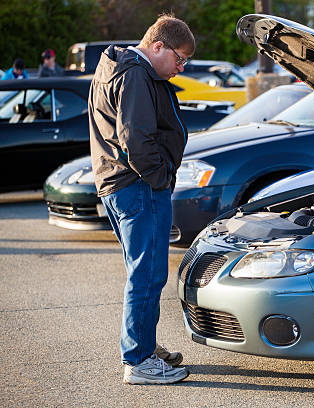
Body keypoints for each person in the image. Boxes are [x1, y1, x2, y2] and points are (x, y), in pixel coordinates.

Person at [88, 13, 195, 385]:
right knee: (148, 275)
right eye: (178, 59)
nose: (180, 68)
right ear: (158, 46)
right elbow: (136, 139)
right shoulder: (135, 73)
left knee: (143, 272)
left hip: (121, 185)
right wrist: (161, 177)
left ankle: (143, 346)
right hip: (139, 186)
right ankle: (138, 360)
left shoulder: (117, 65)